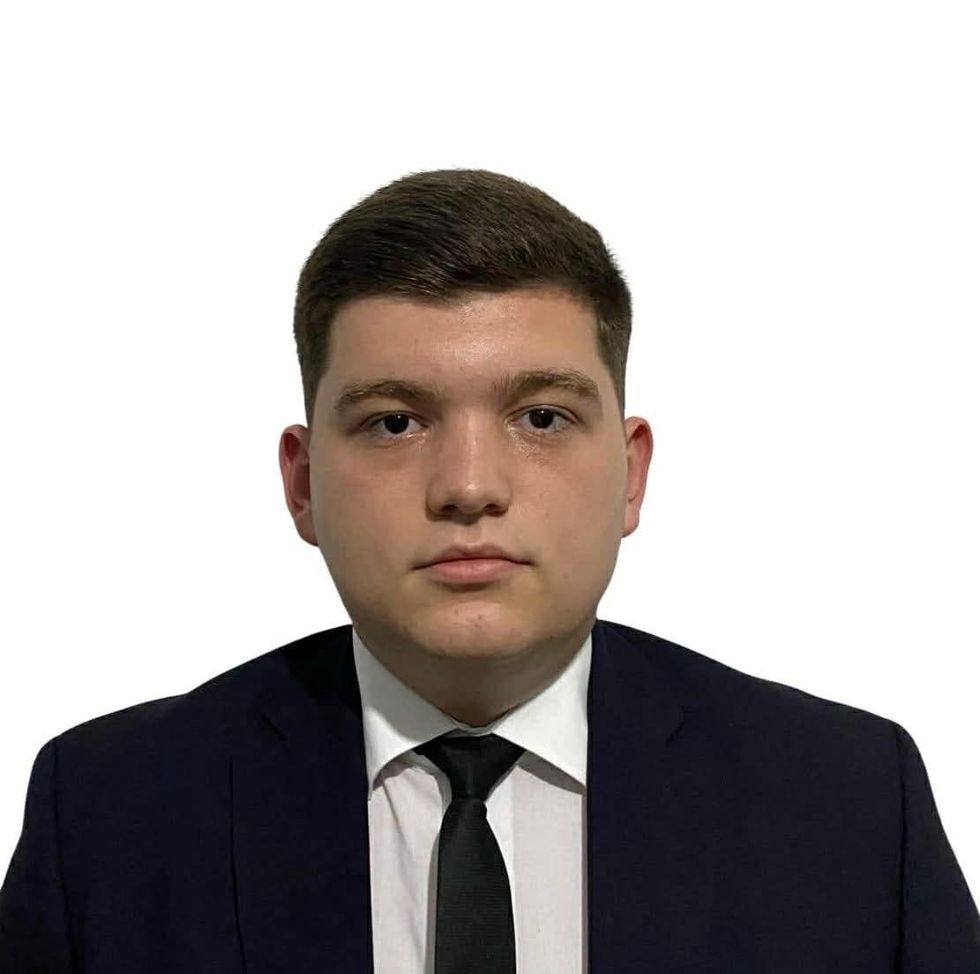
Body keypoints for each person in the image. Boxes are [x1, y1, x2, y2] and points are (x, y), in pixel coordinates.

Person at [0, 169, 977, 973]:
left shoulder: (848, 800)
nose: (469, 486)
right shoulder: (104, 815)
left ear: (630, 473)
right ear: (301, 484)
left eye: (541, 417)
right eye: (395, 421)